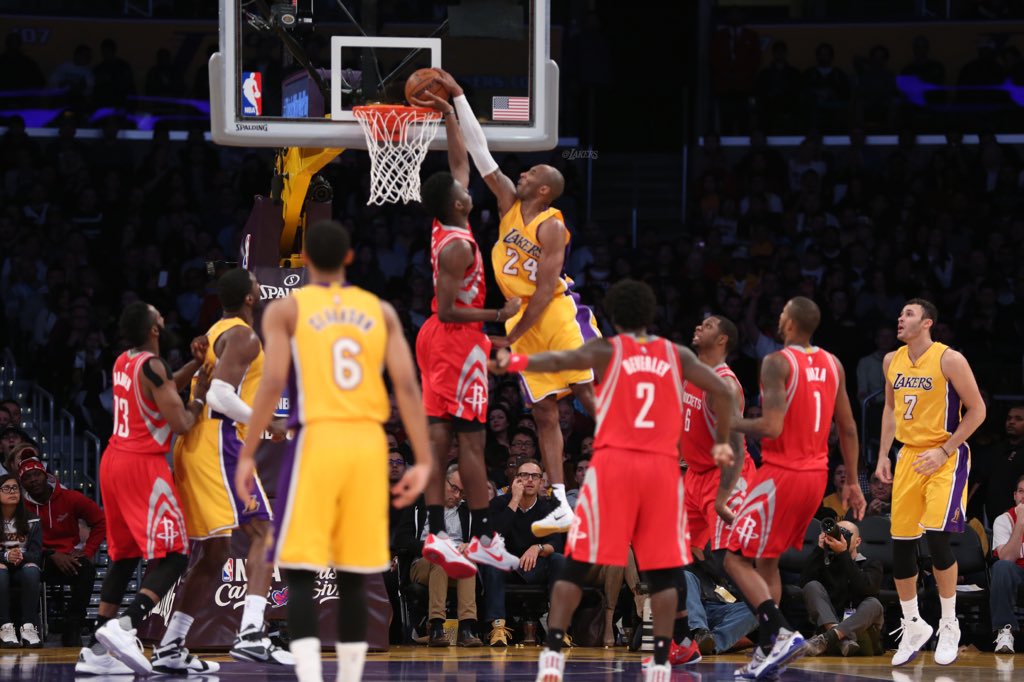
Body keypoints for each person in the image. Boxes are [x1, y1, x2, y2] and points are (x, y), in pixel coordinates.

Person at [492, 279, 737, 682]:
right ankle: (661, 658)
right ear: (651, 314)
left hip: (614, 466)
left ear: (613, 317)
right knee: (662, 572)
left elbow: (555, 361)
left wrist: (514, 360)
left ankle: (552, 653)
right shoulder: (675, 354)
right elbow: (724, 392)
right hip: (659, 471)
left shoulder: (605, 350)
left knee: (577, 563)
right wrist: (723, 441)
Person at [234, 219, 431, 682]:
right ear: (348, 258)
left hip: (316, 439)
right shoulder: (380, 310)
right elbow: (406, 386)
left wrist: (246, 453)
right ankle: (350, 675)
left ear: (304, 261)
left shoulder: (287, 309)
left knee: (301, 568)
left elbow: (272, 384)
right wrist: (423, 459)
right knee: (355, 569)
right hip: (366, 443)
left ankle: (308, 674)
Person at [446, 67, 600, 536]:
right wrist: (458, 98)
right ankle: (561, 501)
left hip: (554, 314)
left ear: (544, 189)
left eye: (531, 172)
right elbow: (481, 153)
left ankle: (645, 456)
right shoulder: (509, 203)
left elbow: (547, 289)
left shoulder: (551, 225)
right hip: (522, 318)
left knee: (586, 395)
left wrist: (511, 337)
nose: (522, 172)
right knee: (544, 412)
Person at [411, 87, 520, 579]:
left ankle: (436, 532)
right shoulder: (458, 247)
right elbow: (454, 309)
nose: (468, 188)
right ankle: (484, 540)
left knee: (438, 442)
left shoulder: (446, 224)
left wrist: (448, 116)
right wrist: (499, 314)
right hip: (455, 339)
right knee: (471, 445)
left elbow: (459, 165)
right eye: (464, 191)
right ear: (457, 204)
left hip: (440, 340)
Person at [726, 296, 866, 680]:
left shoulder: (776, 362)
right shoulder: (833, 363)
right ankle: (768, 651)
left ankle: (779, 632)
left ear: (788, 322)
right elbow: (848, 427)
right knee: (767, 560)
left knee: (733, 558)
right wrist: (853, 480)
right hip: (816, 475)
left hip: (782, 473)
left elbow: (770, 427)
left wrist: (729, 422)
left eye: (782, 312)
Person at [160, 268, 292, 667]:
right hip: (220, 442)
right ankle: (251, 633)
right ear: (250, 298)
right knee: (264, 533)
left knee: (216, 552)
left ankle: (170, 646)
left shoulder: (216, 331)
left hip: (199, 443)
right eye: (255, 282)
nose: (259, 285)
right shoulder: (244, 336)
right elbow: (219, 395)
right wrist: (267, 422)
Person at [77, 302, 210, 676]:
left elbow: (162, 387)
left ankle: (96, 651)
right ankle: (127, 625)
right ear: (153, 329)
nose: (164, 318)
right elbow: (181, 422)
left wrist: (195, 366)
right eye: (158, 315)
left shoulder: (125, 361)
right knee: (176, 553)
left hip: (113, 461)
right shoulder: (155, 366)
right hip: (142, 466)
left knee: (125, 556)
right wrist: (202, 395)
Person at [874, 299, 986, 667]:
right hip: (908, 456)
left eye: (908, 314)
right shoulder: (891, 361)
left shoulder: (949, 359)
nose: (900, 318)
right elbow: (890, 409)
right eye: (900, 313)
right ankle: (913, 624)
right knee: (902, 546)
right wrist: (883, 456)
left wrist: (944, 450)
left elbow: (978, 410)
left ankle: (949, 623)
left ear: (927, 323)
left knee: (937, 537)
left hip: (945, 455)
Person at [477, 457, 566, 647]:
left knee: (559, 560)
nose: (530, 480)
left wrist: (538, 548)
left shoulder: (548, 507)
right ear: (515, 480)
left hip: (534, 567)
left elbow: (556, 543)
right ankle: (498, 627)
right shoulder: (498, 504)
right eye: (524, 475)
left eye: (535, 476)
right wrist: (515, 500)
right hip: (505, 568)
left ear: (541, 482)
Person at [20, 457, 106, 647]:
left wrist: (88, 551)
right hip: (36, 557)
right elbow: (18, 541)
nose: (33, 480)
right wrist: (50, 553)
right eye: (27, 477)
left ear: (45, 475)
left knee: (86, 569)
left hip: (68, 556)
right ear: (22, 483)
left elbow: (100, 521)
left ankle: (73, 625)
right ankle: (26, 626)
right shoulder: (20, 506)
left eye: (36, 474)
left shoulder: (70, 498)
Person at [394, 465, 483, 647]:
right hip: (423, 564)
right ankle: (436, 626)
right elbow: (401, 539)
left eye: (462, 492)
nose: (457, 496)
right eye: (454, 488)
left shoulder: (468, 511)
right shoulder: (417, 504)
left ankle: (466, 628)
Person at [801, 520, 884, 657]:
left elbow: (867, 589)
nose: (839, 538)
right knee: (812, 586)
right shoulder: (826, 563)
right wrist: (820, 550)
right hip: (834, 633)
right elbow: (804, 584)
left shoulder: (871, 563)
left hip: (862, 636)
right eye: (836, 534)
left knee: (874, 604)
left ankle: (831, 637)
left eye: (844, 534)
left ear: (857, 542)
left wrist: (843, 554)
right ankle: (841, 639)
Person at [0, 473, 42, 648]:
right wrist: (6, 556)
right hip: (2, 566)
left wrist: (21, 556)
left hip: (23, 566)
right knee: (0, 569)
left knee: (32, 569)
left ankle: (28, 627)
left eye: (15, 488)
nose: (12, 492)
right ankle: (5, 627)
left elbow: (37, 554)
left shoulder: (33, 520)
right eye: (6, 488)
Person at [989, 473, 1024, 654]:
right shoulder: (1004, 520)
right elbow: (1007, 557)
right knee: (1001, 567)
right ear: (1015, 496)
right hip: (1017, 576)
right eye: (1021, 491)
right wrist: (1020, 522)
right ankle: (1005, 631)